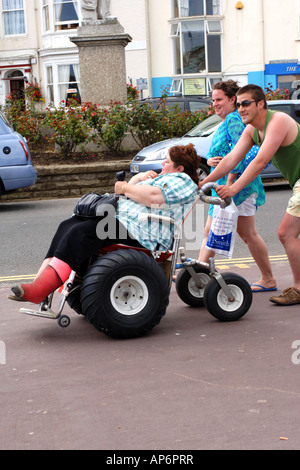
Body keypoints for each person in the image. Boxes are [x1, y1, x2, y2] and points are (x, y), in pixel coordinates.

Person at [8, 144, 200, 304]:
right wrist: (139, 179)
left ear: (180, 168)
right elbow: (126, 194)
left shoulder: (182, 180)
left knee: (82, 233)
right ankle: (38, 285)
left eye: (166, 161)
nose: (162, 164)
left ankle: (41, 289)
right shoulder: (163, 178)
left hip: (143, 232)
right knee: (68, 226)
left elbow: (153, 197)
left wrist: (125, 186)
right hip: (126, 223)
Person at [199, 84, 300, 306]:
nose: (241, 109)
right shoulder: (252, 130)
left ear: (260, 104)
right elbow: (231, 159)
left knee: (286, 232)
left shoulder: (278, 121)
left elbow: (260, 161)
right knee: (285, 233)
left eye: (246, 104)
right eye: (238, 104)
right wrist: (204, 182)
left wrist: (233, 188)